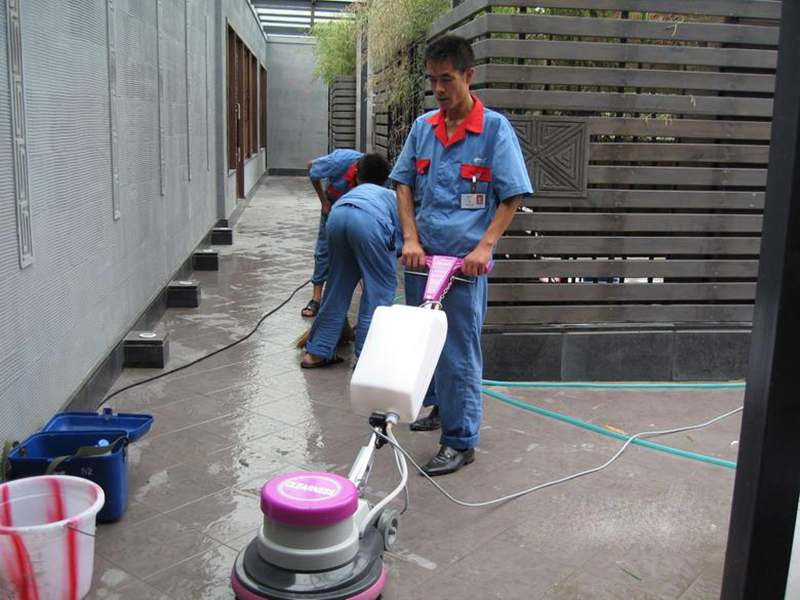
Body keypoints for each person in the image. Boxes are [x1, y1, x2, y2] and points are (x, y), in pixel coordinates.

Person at [389, 35, 533, 476]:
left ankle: (460, 440)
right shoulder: (423, 127)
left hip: (463, 268)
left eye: (447, 79)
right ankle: (438, 406)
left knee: (458, 351)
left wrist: (484, 246)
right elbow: (403, 183)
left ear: (469, 76)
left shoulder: (493, 130)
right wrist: (410, 239)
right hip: (421, 261)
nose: (438, 89)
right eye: (432, 80)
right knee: (426, 342)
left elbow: (512, 195)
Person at [302, 154, 401, 368]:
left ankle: (316, 352)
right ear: (386, 178)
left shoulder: (351, 192)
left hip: (337, 214)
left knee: (337, 286)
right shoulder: (391, 196)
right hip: (369, 221)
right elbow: (399, 241)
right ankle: (367, 356)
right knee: (379, 290)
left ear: (357, 175)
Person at [303, 149, 363, 317]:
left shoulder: (380, 177)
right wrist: (323, 201)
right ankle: (316, 297)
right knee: (324, 250)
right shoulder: (339, 161)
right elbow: (311, 167)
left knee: (362, 250)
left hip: (360, 210)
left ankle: (368, 296)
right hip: (333, 205)